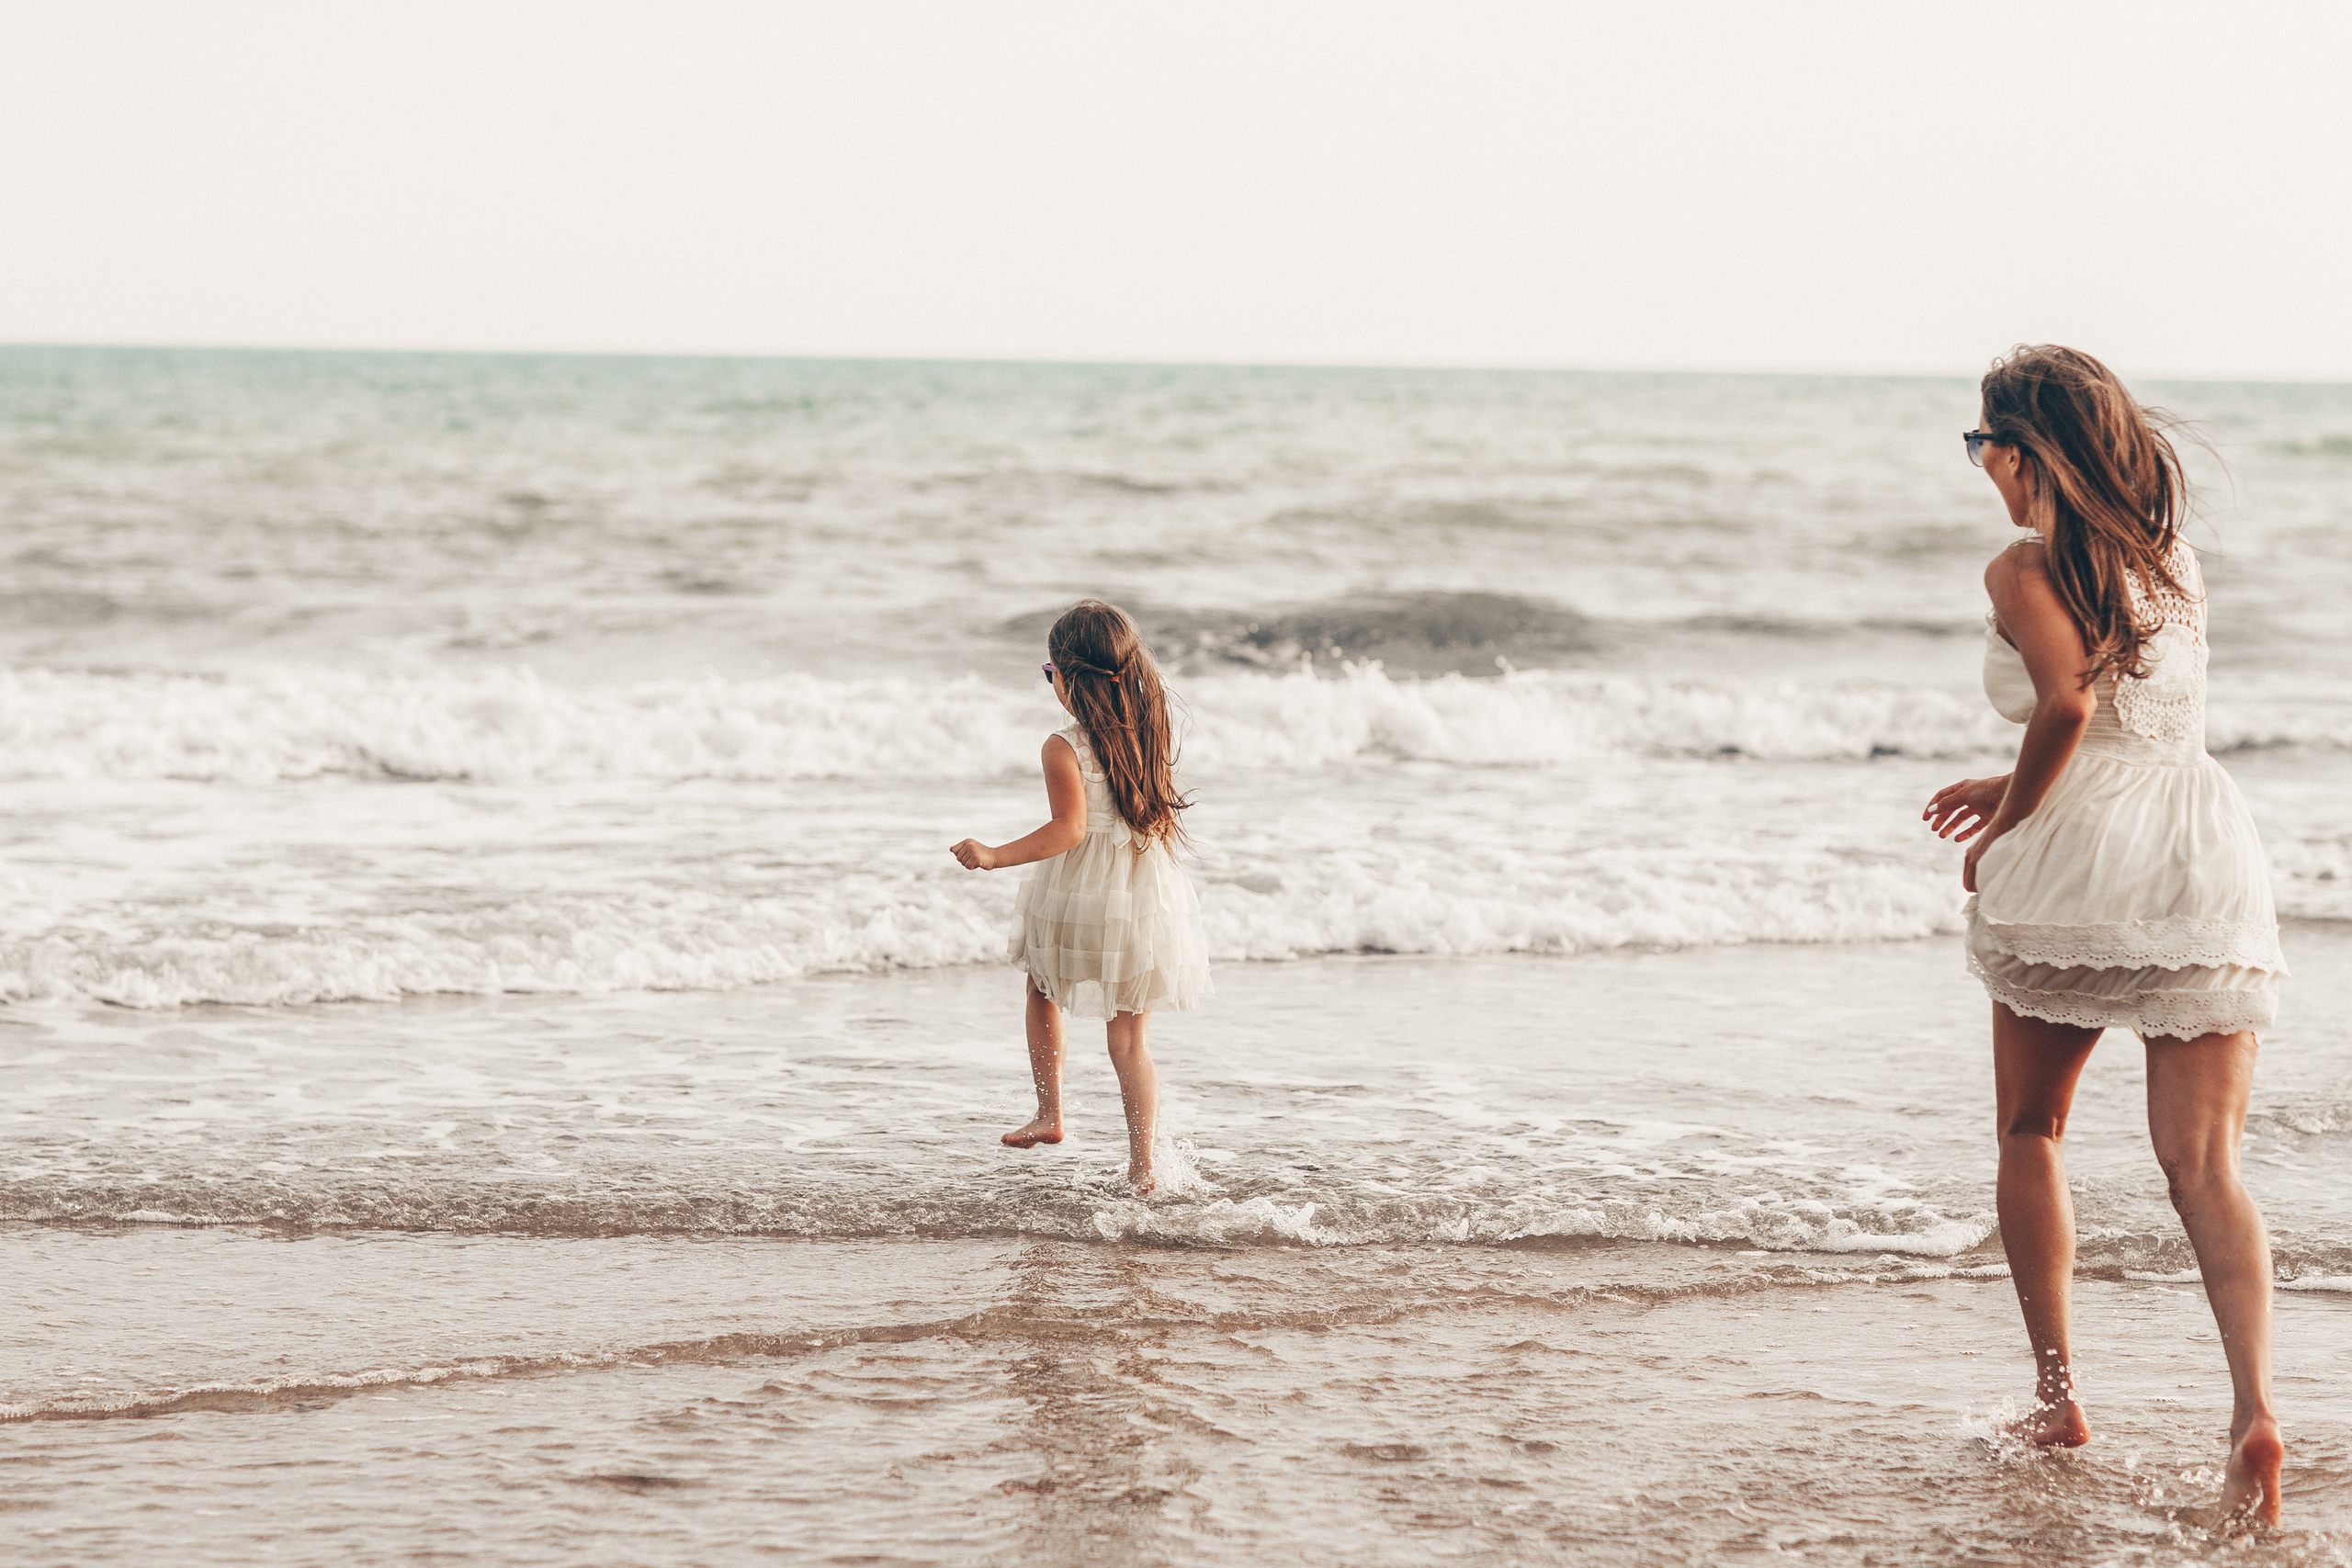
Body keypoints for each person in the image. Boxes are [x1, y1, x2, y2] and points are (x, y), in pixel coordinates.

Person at [1925, 346, 2289, 1525]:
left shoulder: (2023, 567)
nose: (1980, 468)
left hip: (2083, 866)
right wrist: (2011, 773)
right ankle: (2253, 1413)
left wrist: (2011, 819)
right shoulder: (2168, 557)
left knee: (2032, 1128)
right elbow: (2130, 720)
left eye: (1983, 446)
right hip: (2200, 848)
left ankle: (2057, 1394)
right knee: (2205, 1166)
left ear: (2021, 452)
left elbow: (2073, 704)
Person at [951, 600, 1211, 1194]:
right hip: (1144, 894)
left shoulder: (1062, 745)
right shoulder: (1152, 724)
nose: (1051, 683)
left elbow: (1068, 830)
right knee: (1130, 1039)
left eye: (1050, 672)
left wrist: (993, 854)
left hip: (1080, 893)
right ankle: (1144, 1167)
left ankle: (1051, 1111)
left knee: (1042, 987)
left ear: (1068, 678)